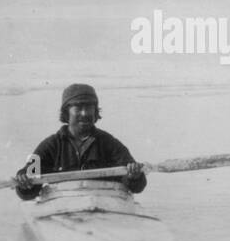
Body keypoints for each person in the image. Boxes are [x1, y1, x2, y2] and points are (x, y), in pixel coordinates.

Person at [13, 83, 147, 200]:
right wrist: (24, 181)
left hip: (106, 204)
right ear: (66, 113)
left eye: (89, 108)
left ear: (95, 112)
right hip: (62, 206)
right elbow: (29, 187)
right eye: (78, 108)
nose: (84, 113)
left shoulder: (110, 144)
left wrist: (134, 176)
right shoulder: (50, 145)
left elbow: (137, 186)